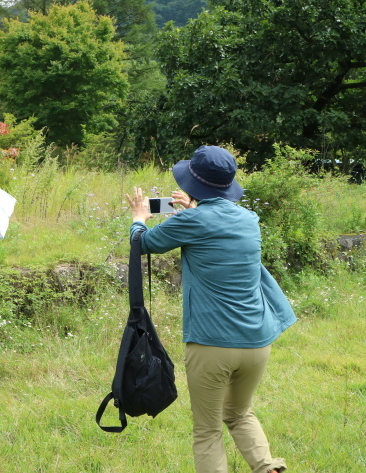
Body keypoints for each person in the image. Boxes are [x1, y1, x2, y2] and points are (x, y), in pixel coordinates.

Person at [126, 145, 296, 473]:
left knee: (207, 430)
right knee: (239, 413)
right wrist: (193, 210)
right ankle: (268, 468)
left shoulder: (193, 219)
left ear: (194, 183)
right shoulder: (249, 219)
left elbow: (143, 243)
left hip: (213, 345)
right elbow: (211, 227)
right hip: (258, 342)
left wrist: (138, 218)